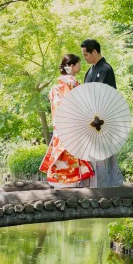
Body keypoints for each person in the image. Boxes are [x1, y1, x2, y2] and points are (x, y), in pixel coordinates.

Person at [39, 53, 95, 186]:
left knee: (63, 154)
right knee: (71, 155)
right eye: (78, 63)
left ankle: (58, 181)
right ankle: (68, 182)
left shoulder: (56, 87)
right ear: (71, 66)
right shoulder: (71, 84)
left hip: (60, 127)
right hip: (72, 127)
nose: (80, 66)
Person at [80, 38, 124, 187]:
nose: (84, 58)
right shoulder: (91, 70)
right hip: (91, 116)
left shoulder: (105, 69)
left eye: (86, 54)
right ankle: (97, 183)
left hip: (103, 117)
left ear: (94, 51)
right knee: (95, 152)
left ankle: (108, 184)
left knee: (104, 152)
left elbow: (106, 95)